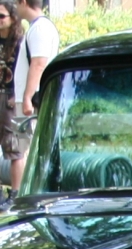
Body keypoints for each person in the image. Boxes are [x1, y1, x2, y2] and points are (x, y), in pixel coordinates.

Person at [11, 0, 56, 191]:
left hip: (31, 102)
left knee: (21, 149)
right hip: (24, 100)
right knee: (19, 149)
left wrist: (27, 97)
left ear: (23, 2)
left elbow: (39, 63)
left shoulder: (40, 29)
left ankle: (23, 193)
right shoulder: (37, 28)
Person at [0, 0, 21, 193]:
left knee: (16, 149)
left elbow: (31, 70)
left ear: (13, 18)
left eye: (1, 16)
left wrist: (20, 95)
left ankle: (16, 195)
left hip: (12, 98)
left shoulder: (20, 42)